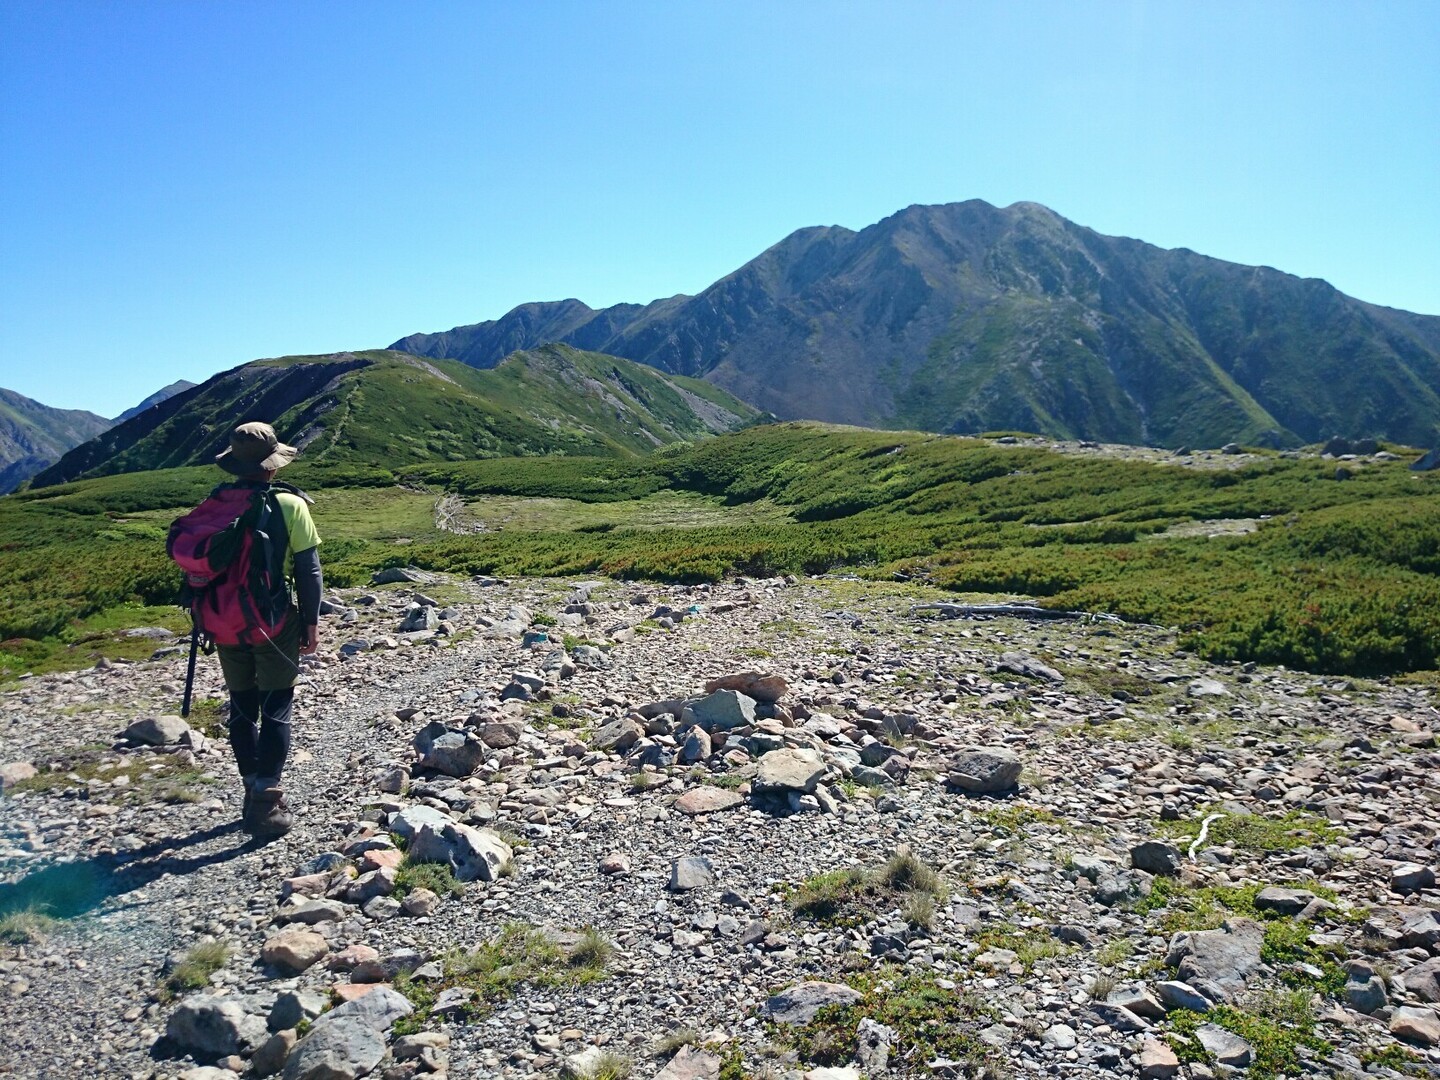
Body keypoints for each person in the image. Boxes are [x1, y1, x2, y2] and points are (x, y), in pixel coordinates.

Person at [212, 421, 322, 837]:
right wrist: (310, 623)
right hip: (273, 622)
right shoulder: (290, 505)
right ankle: (265, 801)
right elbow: (308, 571)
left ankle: (249, 787)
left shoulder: (217, 501)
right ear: (272, 466)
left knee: (241, 706)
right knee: (277, 706)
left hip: (223, 621)